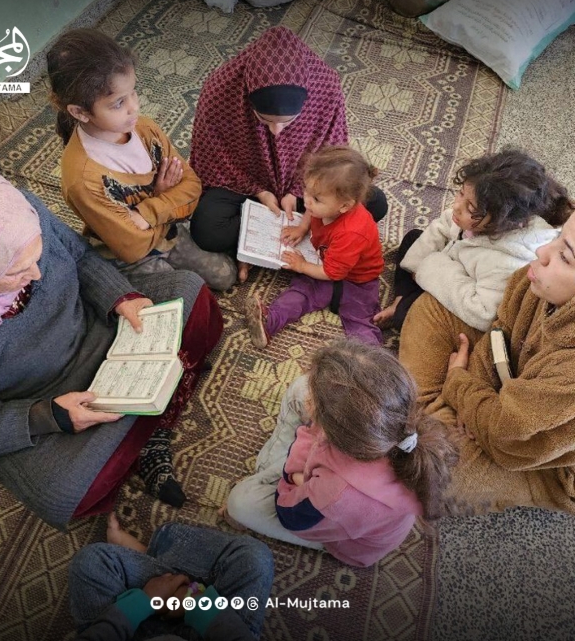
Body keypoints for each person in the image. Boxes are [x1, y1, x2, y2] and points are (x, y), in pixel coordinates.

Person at [0, 171, 223, 528]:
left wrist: (119, 296)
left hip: (96, 328)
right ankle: (152, 420)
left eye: (37, 258)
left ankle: (144, 429)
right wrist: (49, 416)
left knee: (190, 293)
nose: (37, 274)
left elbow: (78, 256)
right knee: (65, 494)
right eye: (17, 270)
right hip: (41, 400)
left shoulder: (16, 212)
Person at [398, 205, 575, 515]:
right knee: (430, 309)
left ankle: (417, 419)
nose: (542, 250)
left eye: (566, 257)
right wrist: (476, 386)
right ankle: (428, 426)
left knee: (446, 474)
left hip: (535, 458)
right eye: (559, 237)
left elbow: (511, 440)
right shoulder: (535, 278)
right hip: (506, 397)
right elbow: (499, 331)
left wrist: (458, 385)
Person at [221, 340, 457, 568]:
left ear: (333, 430)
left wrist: (296, 470)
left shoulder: (336, 493)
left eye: (315, 405)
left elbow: (290, 515)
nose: (309, 399)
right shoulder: (397, 423)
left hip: (340, 534)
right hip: (341, 489)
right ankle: (273, 469)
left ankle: (266, 471)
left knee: (239, 503)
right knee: (300, 388)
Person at [188, 26, 389, 282]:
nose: (276, 132)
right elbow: (214, 158)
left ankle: (258, 238)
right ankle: (259, 240)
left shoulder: (325, 88)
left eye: (288, 121)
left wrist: (298, 190)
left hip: (311, 187)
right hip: (241, 184)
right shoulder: (220, 92)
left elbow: (332, 156)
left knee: (374, 203)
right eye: (265, 119)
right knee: (206, 230)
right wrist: (259, 190)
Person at [47, 28, 236, 292]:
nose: (134, 107)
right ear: (79, 112)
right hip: (128, 259)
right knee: (189, 292)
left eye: (133, 92)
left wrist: (149, 210)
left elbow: (192, 187)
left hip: (164, 229)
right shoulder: (83, 179)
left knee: (226, 275)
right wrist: (167, 198)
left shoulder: (145, 129)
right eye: (118, 103)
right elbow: (133, 247)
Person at [374, 149, 572, 331]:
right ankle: (400, 298)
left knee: (406, 316)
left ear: (502, 221)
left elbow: (484, 314)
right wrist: (418, 268)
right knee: (413, 239)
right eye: (460, 193)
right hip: (449, 265)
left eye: (470, 208)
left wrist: (431, 269)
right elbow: (442, 227)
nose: (457, 206)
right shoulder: (476, 219)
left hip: (463, 290)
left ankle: (403, 305)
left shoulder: (505, 262)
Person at [245, 146, 384, 348]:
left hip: (359, 282)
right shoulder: (322, 206)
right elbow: (311, 209)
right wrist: (302, 227)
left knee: (360, 320)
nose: (307, 201)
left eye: (316, 199)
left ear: (345, 206)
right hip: (328, 262)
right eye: (306, 191)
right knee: (301, 291)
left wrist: (301, 266)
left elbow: (333, 273)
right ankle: (269, 321)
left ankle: (372, 362)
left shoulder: (352, 232)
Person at [68, 514, 273, 640]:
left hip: (132, 633)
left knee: (91, 562)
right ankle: (162, 560)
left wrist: (143, 601)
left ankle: (152, 555)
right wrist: (200, 604)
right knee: (253, 557)